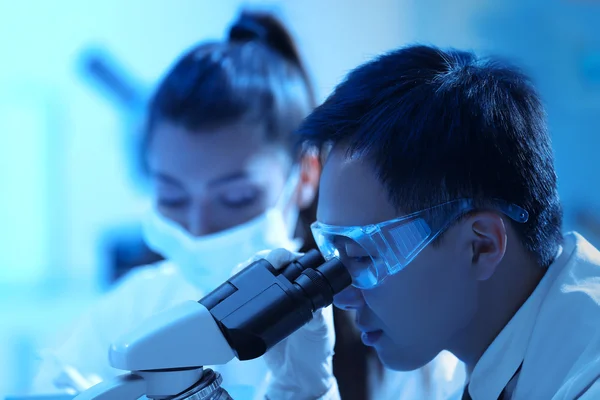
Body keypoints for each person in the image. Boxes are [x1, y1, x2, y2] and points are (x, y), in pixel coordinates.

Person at [29, 12, 463, 400]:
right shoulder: (128, 314)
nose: (200, 227)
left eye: (236, 198)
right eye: (173, 197)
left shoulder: (390, 327)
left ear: (307, 175)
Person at [253, 44, 600, 399]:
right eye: (333, 255)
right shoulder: (486, 367)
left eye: (363, 257)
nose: (343, 298)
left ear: (481, 245)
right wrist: (305, 391)